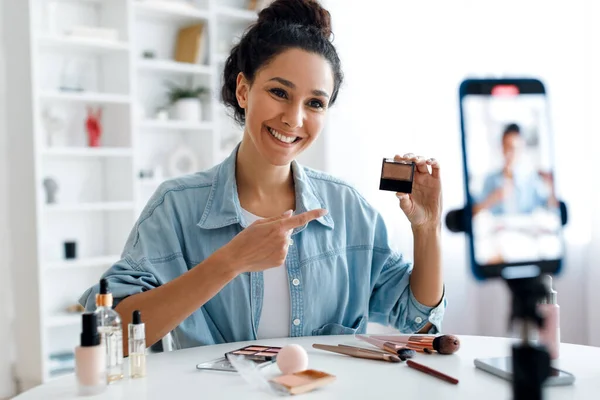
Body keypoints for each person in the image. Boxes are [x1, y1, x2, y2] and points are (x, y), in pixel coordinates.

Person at [79, 0, 446, 354]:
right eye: (279, 92)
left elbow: (416, 319)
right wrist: (229, 262)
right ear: (243, 90)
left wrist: (426, 228)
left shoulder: (347, 208)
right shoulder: (176, 206)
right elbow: (112, 333)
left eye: (315, 103)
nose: (294, 118)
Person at [473, 123, 555, 216]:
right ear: (502, 148)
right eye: (506, 147)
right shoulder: (490, 180)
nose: (509, 153)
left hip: (526, 229)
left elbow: (550, 207)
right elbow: (474, 211)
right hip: (499, 229)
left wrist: (551, 186)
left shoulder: (531, 180)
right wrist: (493, 199)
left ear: (522, 149)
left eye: (514, 148)